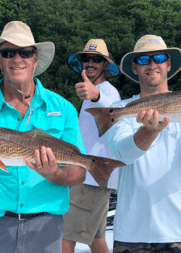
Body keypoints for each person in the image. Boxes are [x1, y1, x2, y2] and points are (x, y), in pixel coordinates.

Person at [0, 21, 86, 253]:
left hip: (46, 228)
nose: (17, 58)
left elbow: (79, 173)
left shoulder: (64, 109)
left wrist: (55, 173)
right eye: (8, 52)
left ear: (35, 58)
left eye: (25, 52)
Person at [105, 35, 181, 253]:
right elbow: (123, 155)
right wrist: (149, 131)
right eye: (143, 60)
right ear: (134, 66)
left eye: (158, 58)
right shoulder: (119, 107)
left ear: (168, 64)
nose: (152, 64)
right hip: (133, 233)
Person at [62, 39, 121, 253]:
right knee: (96, 241)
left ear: (105, 65)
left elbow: (114, 110)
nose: (90, 63)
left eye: (96, 59)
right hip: (94, 177)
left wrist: (96, 95)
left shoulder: (107, 93)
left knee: (64, 237)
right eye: (86, 58)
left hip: (90, 179)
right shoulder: (90, 93)